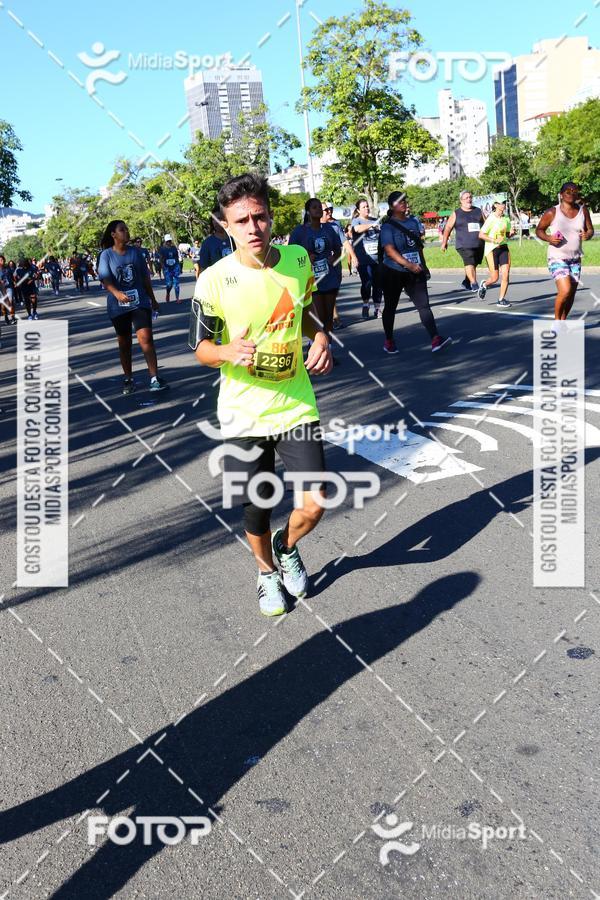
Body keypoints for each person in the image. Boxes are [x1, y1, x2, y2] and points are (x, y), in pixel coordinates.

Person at [192, 172, 332, 617]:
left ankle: (284, 546)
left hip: (295, 402)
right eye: (242, 221)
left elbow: (303, 311)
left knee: (315, 503)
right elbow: (201, 349)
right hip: (243, 411)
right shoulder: (213, 279)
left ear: (271, 218)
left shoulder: (297, 260)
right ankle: (266, 574)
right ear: (226, 226)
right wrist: (228, 350)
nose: (253, 227)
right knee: (259, 504)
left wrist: (321, 336)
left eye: (260, 217)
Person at [97, 220, 168, 395]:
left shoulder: (136, 253)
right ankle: (128, 378)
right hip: (118, 305)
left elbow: (145, 279)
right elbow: (105, 280)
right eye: (122, 230)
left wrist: (153, 299)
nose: (126, 232)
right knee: (124, 343)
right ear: (113, 234)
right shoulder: (106, 255)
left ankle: (154, 378)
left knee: (146, 339)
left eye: (127, 229)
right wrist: (117, 293)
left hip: (139, 302)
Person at [380, 191, 451, 355]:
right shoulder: (387, 226)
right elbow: (389, 250)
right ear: (392, 206)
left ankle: (435, 339)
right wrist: (409, 265)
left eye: (405, 200)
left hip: (415, 271)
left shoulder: (413, 222)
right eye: (400, 201)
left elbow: (417, 247)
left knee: (424, 305)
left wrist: (423, 266)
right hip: (393, 271)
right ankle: (389, 341)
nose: (404, 203)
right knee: (390, 307)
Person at [535, 182, 594, 330]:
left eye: (575, 191)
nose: (571, 193)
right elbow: (539, 230)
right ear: (561, 194)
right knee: (565, 290)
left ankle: (562, 321)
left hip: (575, 259)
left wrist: (588, 234)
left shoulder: (583, 210)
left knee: (571, 293)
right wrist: (549, 238)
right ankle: (557, 322)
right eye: (568, 191)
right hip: (557, 257)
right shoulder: (552, 212)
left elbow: (590, 229)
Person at [289, 199, 343, 350]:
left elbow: (339, 250)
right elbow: (291, 254)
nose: (319, 210)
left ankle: (329, 350)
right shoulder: (300, 232)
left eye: (320, 207)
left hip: (329, 277)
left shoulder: (329, 229)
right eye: (314, 207)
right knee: (318, 317)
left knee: (328, 317)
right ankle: (318, 347)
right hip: (312, 281)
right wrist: (306, 258)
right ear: (308, 211)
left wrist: (334, 258)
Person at [440, 191, 485, 292]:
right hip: (463, 245)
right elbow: (447, 228)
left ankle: (466, 281)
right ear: (461, 201)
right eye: (466, 198)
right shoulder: (456, 213)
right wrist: (444, 242)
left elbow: (486, 224)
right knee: (469, 262)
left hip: (479, 244)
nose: (469, 199)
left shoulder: (478, 211)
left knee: (474, 263)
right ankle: (474, 284)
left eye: (470, 197)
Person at [477, 201, 514, 308]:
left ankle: (501, 299)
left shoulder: (506, 218)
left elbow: (507, 234)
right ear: (496, 205)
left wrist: (511, 233)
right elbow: (481, 234)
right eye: (501, 203)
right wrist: (493, 240)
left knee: (506, 274)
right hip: (492, 250)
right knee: (494, 278)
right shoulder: (491, 218)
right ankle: (484, 285)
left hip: (504, 248)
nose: (503, 205)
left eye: (504, 203)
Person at [351, 198, 382, 319]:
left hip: (377, 259)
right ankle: (365, 304)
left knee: (378, 284)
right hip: (364, 259)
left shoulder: (375, 220)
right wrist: (371, 225)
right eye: (363, 207)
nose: (366, 208)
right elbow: (356, 229)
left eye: (367, 206)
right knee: (367, 283)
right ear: (358, 210)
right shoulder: (356, 221)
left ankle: (378, 308)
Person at [159, 234, 181, 303]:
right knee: (169, 284)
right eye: (167, 241)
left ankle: (177, 298)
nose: (169, 242)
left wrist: (178, 266)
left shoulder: (174, 248)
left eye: (170, 241)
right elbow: (161, 259)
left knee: (176, 284)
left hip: (175, 268)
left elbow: (177, 257)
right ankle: (168, 293)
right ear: (165, 241)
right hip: (167, 269)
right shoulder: (162, 249)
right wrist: (163, 268)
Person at [0, 255, 16, 324]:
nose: (1, 261)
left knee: (10, 302)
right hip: (1, 289)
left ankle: (13, 318)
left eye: (2, 260)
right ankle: (6, 317)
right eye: (0, 260)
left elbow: (12, 276)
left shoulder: (8, 268)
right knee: (3, 305)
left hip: (9, 287)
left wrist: (14, 282)